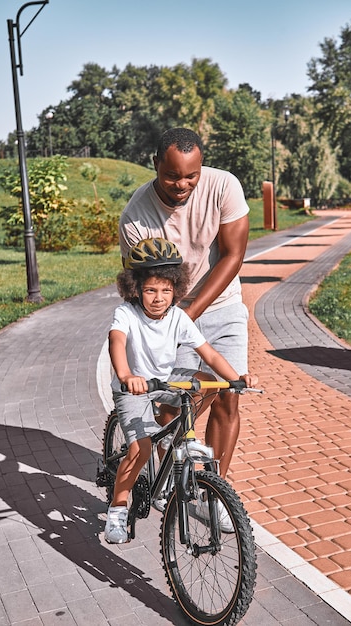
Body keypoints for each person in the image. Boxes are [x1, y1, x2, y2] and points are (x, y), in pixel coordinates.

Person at [119, 127, 250, 481]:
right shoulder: (136, 217)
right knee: (170, 406)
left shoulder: (224, 186)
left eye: (191, 176)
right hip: (168, 316)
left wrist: (190, 315)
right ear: (155, 164)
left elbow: (233, 256)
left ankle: (216, 486)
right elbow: (142, 286)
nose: (182, 184)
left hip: (222, 306)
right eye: (172, 175)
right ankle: (166, 470)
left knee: (226, 395)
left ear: (202, 166)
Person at [105, 237, 256, 544]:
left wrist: (236, 378)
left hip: (165, 381)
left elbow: (209, 353)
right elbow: (117, 342)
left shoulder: (176, 316)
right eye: (150, 290)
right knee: (140, 449)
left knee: (205, 381)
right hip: (135, 388)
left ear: (176, 288)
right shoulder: (127, 313)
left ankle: (174, 441)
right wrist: (126, 375)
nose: (158, 298)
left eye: (165, 289)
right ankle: (118, 510)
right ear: (135, 288)